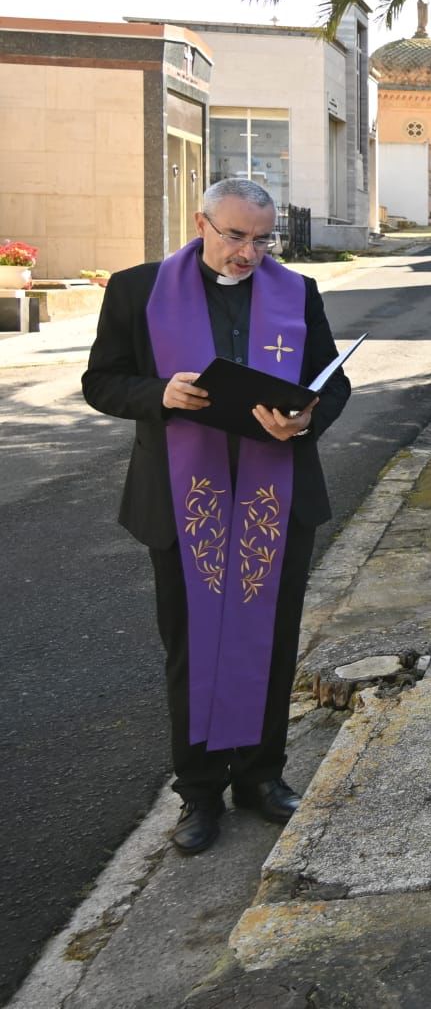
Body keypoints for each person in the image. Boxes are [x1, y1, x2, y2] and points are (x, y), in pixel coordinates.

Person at [82, 178, 353, 856]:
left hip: (275, 495)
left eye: (263, 239)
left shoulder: (297, 293)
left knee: (270, 640)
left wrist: (304, 418)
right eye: (235, 235)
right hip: (182, 500)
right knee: (192, 645)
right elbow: (101, 380)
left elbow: (332, 381)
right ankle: (199, 792)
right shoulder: (138, 290)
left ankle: (261, 777)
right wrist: (159, 392)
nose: (248, 253)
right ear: (201, 221)